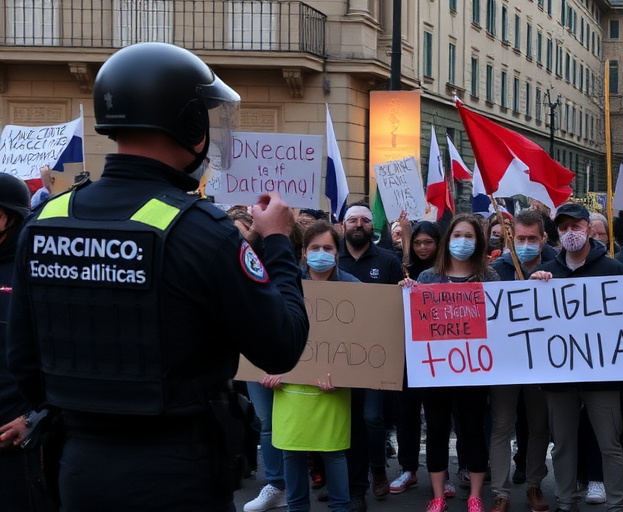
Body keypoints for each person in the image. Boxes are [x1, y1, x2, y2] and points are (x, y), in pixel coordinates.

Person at [1, 42, 310, 511]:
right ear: (188, 121)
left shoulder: (45, 221)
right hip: (177, 471)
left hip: (79, 468)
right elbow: (282, 345)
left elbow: (24, 361)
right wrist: (279, 243)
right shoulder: (201, 230)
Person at [530, 203, 623, 512]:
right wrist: (535, 289)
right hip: (560, 375)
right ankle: (565, 501)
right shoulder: (546, 272)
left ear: (588, 228)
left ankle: (617, 504)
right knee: (562, 443)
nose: (570, 232)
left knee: (610, 443)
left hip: (603, 374)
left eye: (576, 226)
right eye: (564, 227)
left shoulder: (613, 269)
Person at [403, 213, 496, 512]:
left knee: (473, 430)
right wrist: (407, 293)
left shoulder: (490, 278)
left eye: (469, 236)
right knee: (437, 431)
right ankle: (438, 495)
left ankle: (475, 495)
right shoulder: (428, 278)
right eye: (457, 236)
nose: (462, 241)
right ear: (448, 241)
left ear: (478, 242)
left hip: (474, 370)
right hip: (436, 371)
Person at [266, 220, 360, 512]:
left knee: (334, 452)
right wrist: (268, 368)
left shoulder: (353, 288)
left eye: (328, 248)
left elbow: (363, 339)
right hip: (289, 386)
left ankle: (341, 508)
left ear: (337, 251)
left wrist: (344, 375)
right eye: (315, 247)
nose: (322, 253)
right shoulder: (284, 284)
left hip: (333, 386)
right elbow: (268, 327)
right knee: (291, 453)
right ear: (305, 252)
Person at [336, 205, 406, 509]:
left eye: (365, 220)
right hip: (337, 355)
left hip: (376, 354)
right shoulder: (332, 258)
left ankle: (378, 468)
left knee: (372, 418)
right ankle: (349, 482)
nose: (359, 224)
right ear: (343, 225)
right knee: (344, 421)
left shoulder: (388, 261)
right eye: (353, 219)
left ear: (372, 227)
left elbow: (398, 306)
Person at [487, 209, 553, 512]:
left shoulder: (555, 266)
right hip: (505, 362)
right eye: (520, 238)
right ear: (511, 237)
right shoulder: (496, 269)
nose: (526, 244)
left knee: (539, 426)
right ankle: (501, 492)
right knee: (502, 425)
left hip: (541, 361)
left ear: (543, 238)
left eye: (532, 239)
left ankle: (534, 484)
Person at [0, 174, 56, 511]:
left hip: (16, 441)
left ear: (7, 217)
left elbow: (61, 357)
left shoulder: (38, 271)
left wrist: (34, 418)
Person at [389, 219, 441, 495]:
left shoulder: (444, 271)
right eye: (418, 242)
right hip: (408, 355)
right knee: (406, 413)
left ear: (438, 244)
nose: (422, 248)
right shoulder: (402, 267)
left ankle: (440, 473)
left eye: (428, 242)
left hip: (438, 356)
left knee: (437, 416)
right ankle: (408, 469)